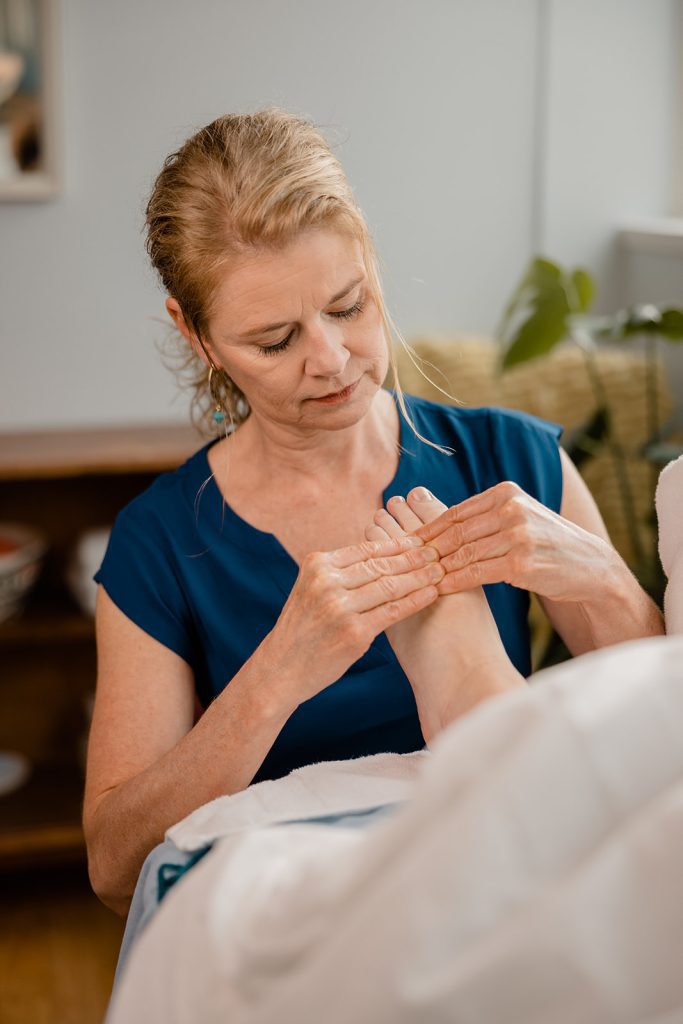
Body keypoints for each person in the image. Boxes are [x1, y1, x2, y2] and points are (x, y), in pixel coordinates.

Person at [83, 108, 663, 917]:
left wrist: (600, 578)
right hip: (295, 916)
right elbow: (114, 868)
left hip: (503, 888)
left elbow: (662, 737)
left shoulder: (511, 461)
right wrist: (278, 673)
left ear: (369, 263)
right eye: (275, 340)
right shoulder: (162, 543)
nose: (330, 361)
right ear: (198, 336)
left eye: (348, 306)